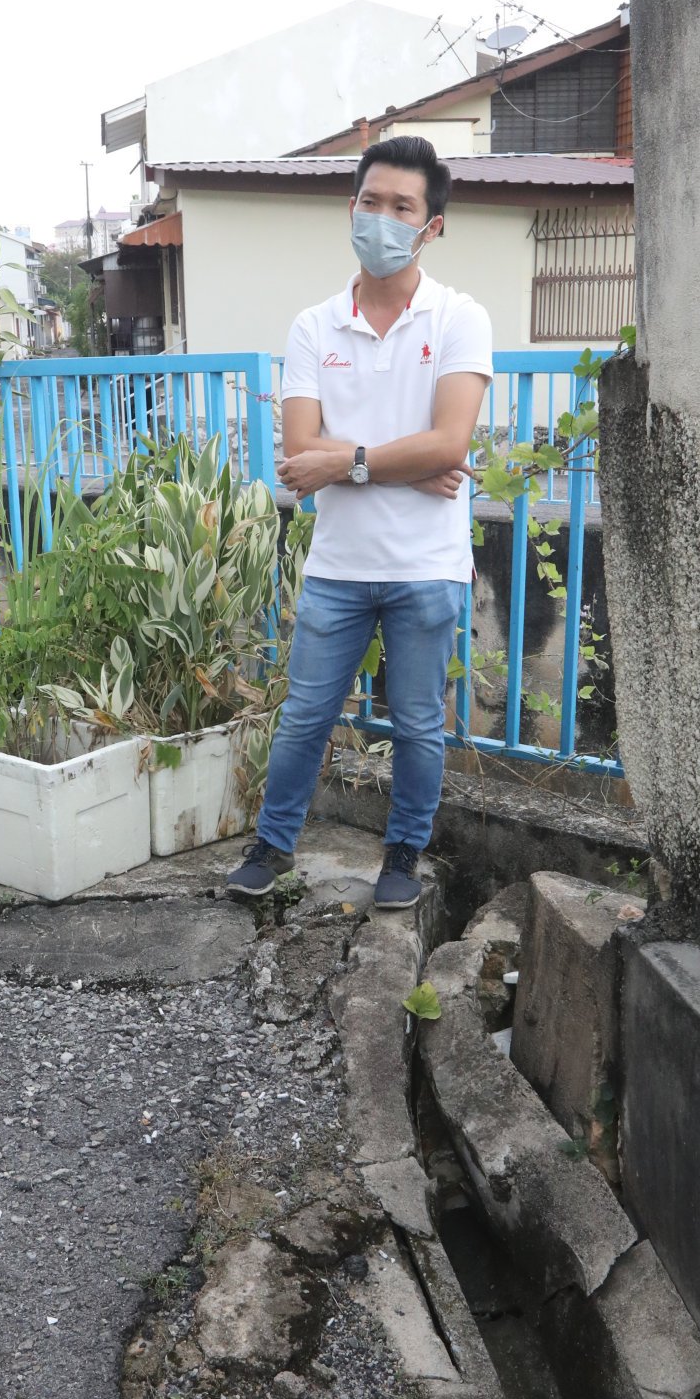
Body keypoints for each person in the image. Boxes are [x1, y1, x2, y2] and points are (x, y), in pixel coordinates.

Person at [226, 136, 492, 910]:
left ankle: (403, 854)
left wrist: (348, 460)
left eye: (401, 207)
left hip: (426, 567)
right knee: (305, 716)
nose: (382, 219)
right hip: (338, 568)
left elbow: (450, 443)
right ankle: (273, 845)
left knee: (416, 724)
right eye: (370, 202)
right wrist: (396, 461)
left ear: (430, 226)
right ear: (352, 208)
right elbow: (297, 456)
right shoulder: (314, 327)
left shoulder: (460, 318)